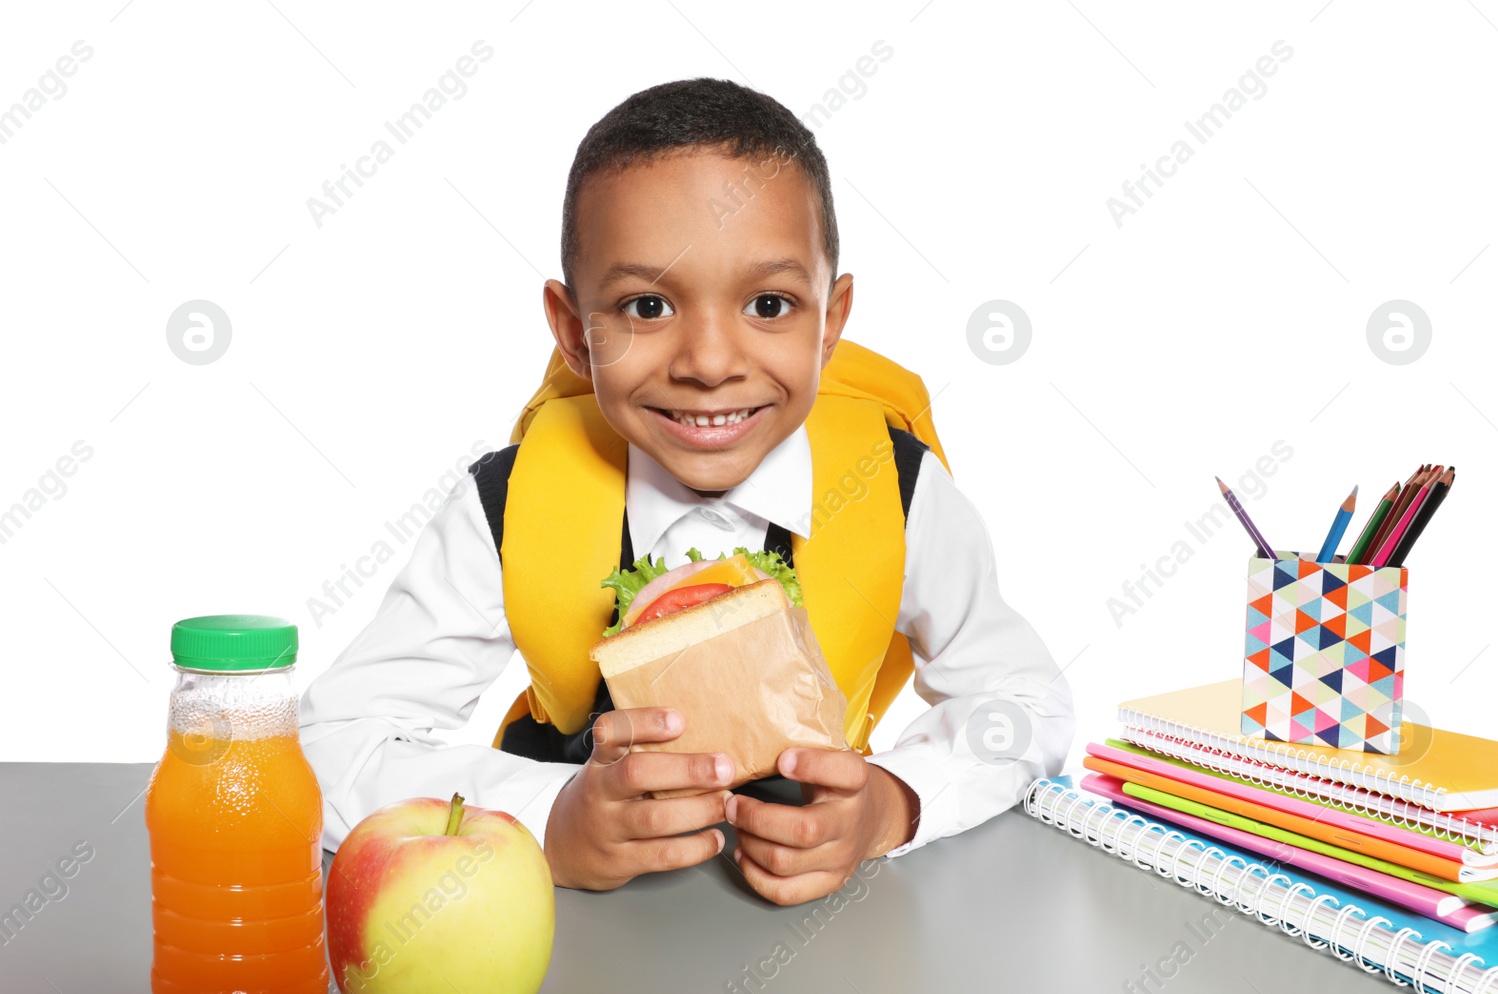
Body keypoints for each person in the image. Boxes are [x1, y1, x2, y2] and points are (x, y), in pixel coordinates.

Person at [300, 77, 1073, 906]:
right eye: (648, 304)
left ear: (830, 319)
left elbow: (1025, 702)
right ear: (571, 332)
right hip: (568, 935)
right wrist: (549, 818)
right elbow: (330, 740)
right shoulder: (513, 502)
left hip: (828, 937)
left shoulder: (893, 486)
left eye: (769, 303)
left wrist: (893, 804)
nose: (708, 362)